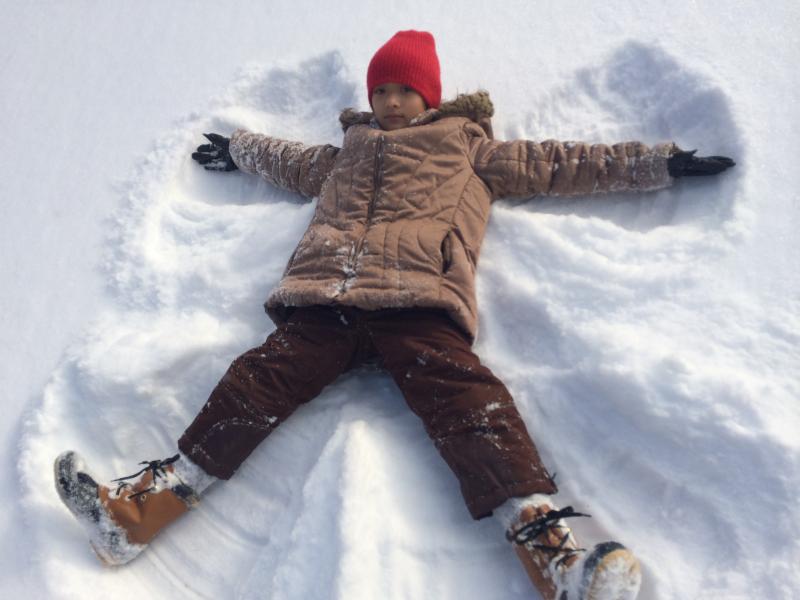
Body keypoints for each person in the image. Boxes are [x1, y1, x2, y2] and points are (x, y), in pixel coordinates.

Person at [54, 30, 734, 600]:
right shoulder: (346, 153)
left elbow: (560, 164)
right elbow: (291, 161)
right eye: (380, 90)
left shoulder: (468, 147)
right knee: (254, 383)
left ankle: (554, 553)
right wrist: (239, 149)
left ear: (430, 97)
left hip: (416, 299)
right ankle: (135, 513)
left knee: (468, 401)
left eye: (404, 89)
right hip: (325, 301)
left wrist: (659, 163)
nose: (390, 101)